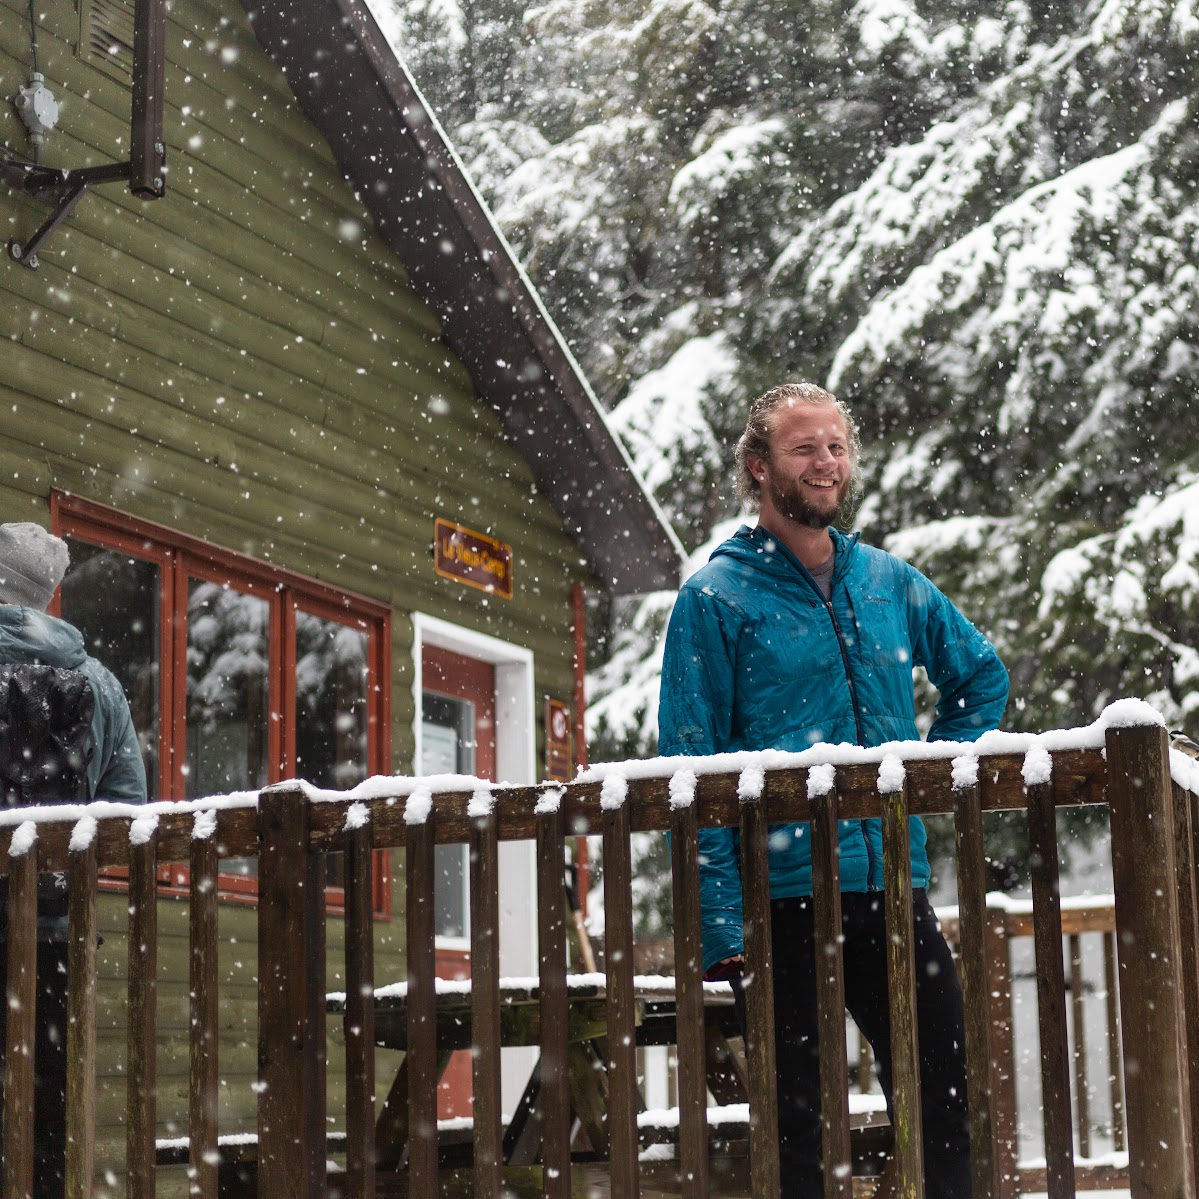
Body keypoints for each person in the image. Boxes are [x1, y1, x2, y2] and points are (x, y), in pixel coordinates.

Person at [658, 383, 1008, 1199]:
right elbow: (689, 764)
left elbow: (979, 675)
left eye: (836, 446)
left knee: (941, 1095)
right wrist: (717, 921)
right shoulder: (715, 597)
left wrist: (926, 773)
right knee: (800, 1127)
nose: (826, 463)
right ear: (758, 467)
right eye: (804, 448)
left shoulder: (888, 580)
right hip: (779, 902)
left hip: (891, 887)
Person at [0, 521, 147, 1199]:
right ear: (49, 590)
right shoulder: (99, 684)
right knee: (46, 1104)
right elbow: (127, 806)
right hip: (55, 933)